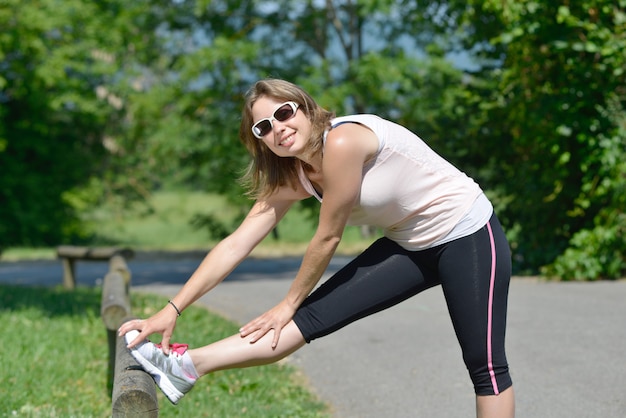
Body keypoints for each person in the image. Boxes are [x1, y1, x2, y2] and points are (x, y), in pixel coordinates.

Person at [118, 78, 515, 417]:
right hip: (409, 244)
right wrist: (172, 309)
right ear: (260, 142)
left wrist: (288, 301)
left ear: (306, 108)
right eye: (263, 128)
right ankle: (186, 367)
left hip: (466, 232)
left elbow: (327, 237)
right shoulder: (294, 176)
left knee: (485, 365)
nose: (278, 128)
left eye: (284, 113)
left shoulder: (343, 140)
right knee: (295, 327)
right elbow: (236, 244)